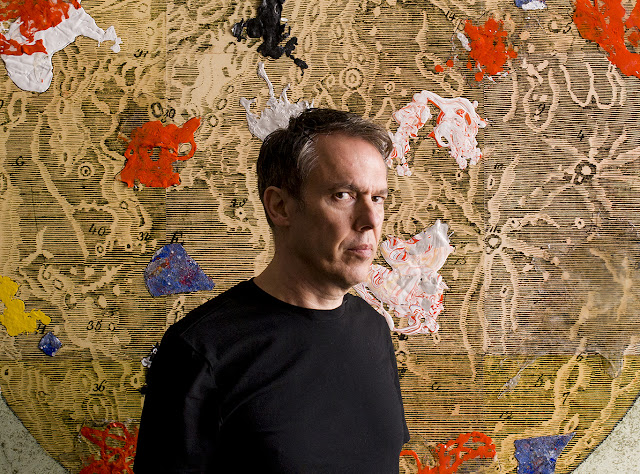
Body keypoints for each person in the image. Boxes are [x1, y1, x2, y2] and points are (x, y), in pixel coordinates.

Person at [134, 108, 410, 473]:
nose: (370, 221)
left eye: (378, 198)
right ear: (280, 206)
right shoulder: (199, 351)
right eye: (343, 195)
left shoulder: (372, 328)